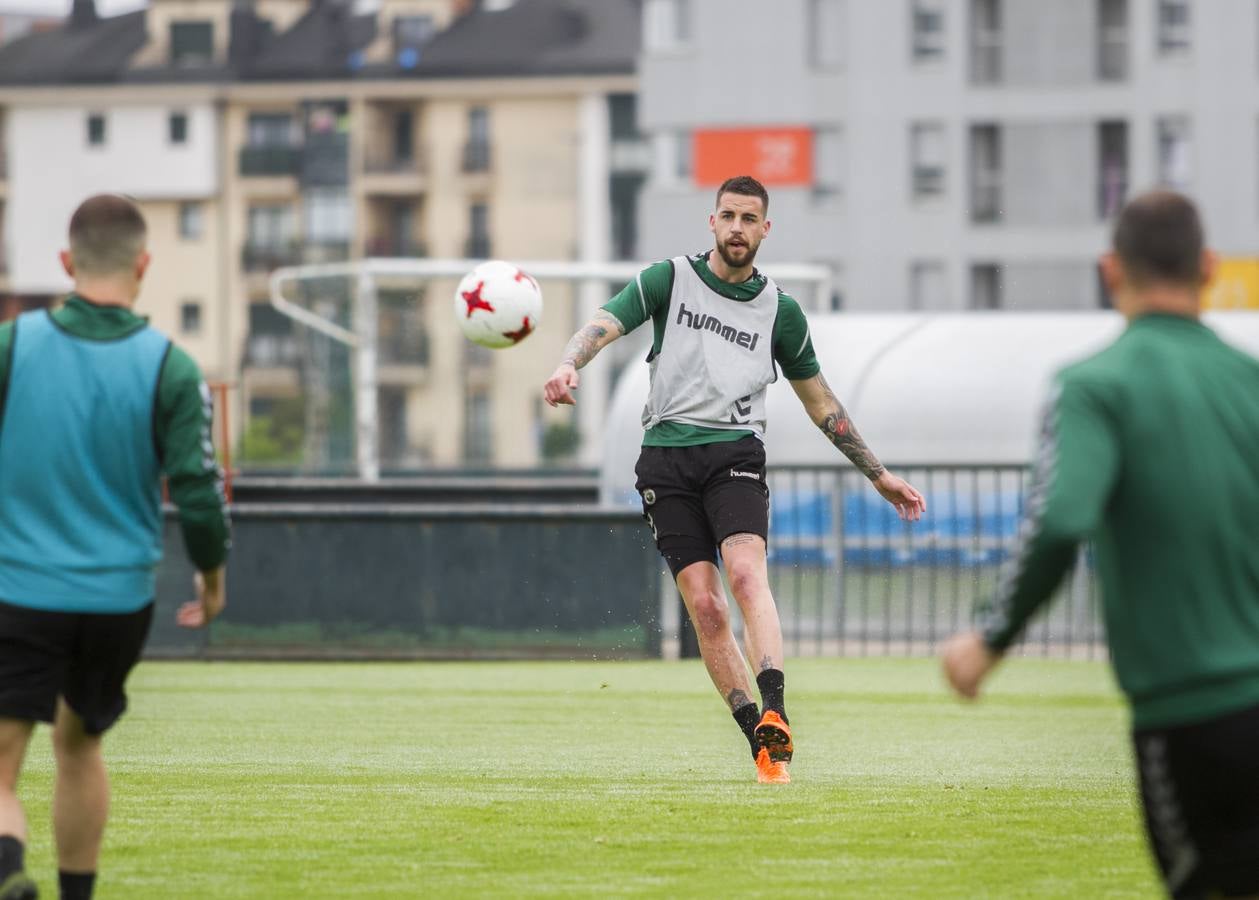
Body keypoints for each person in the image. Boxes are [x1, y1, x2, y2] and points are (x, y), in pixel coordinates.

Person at [544, 175, 925, 784]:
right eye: (729, 216)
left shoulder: (782, 311)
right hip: (664, 459)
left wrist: (877, 474)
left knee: (746, 573)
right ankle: (761, 742)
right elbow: (605, 323)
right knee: (706, 607)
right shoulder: (668, 280)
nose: (738, 228)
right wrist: (568, 363)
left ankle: (776, 708)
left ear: (765, 229)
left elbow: (821, 402)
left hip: (734, 453)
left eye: (751, 219)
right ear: (712, 221)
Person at [941, 190, 1259, 898]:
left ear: (1109, 270)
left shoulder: (1092, 386)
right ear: (1206, 266)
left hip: (1190, 718)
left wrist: (990, 637)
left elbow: (1058, 518)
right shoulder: (1250, 381)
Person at [0, 195, 231, 900]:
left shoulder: (12, 346)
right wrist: (212, 582)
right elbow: (197, 491)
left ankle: (8, 874)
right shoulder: (173, 367)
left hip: (19, 590)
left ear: (67, 264)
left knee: (2, 763)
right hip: (117, 598)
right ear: (144, 265)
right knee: (80, 746)